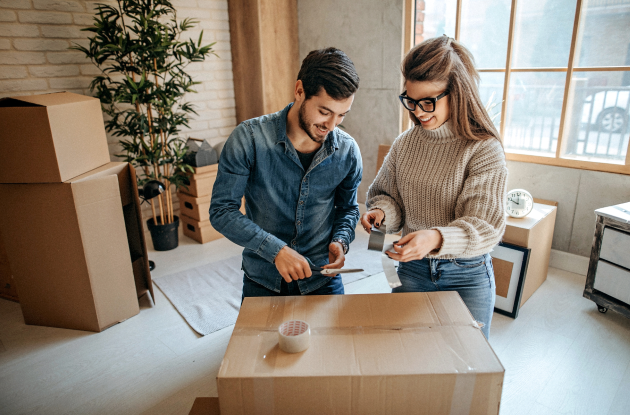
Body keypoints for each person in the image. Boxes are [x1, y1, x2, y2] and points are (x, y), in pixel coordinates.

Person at [361, 36, 507, 338]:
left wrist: (435, 237)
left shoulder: (483, 149)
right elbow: (387, 195)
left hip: (467, 275)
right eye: (410, 101)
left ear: (458, 93)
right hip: (413, 271)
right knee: (407, 356)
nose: (418, 111)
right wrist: (381, 213)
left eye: (428, 101)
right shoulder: (406, 144)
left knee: (468, 368)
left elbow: (485, 226)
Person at [210, 47, 362, 299]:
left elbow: (348, 209)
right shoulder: (248, 138)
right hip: (264, 278)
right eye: (324, 112)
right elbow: (222, 211)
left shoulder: (347, 150)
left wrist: (341, 240)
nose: (332, 125)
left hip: (321, 278)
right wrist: (276, 250)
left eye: (341, 115)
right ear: (300, 90)